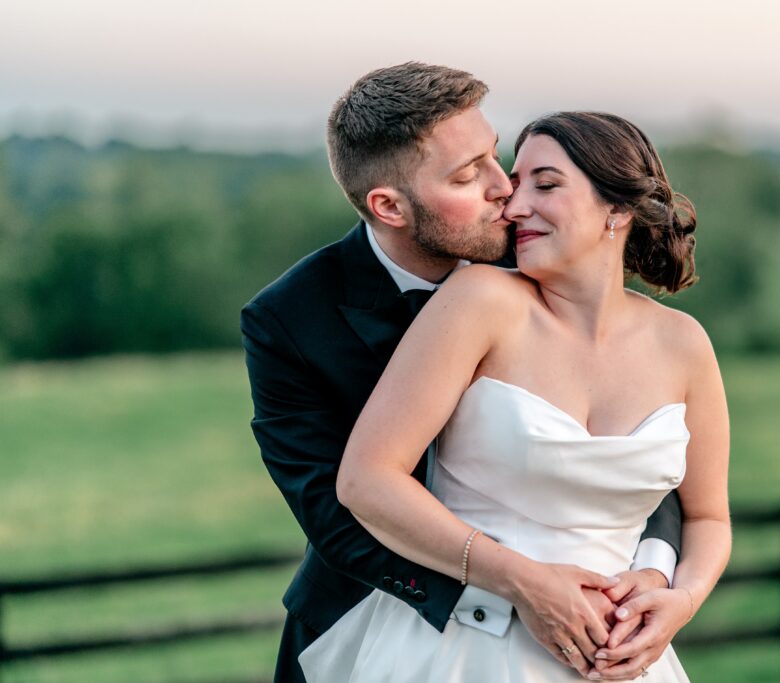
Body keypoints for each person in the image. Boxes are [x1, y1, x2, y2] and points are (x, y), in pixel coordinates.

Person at [242, 63, 686, 683]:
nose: (505, 189)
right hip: (376, 618)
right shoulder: (289, 319)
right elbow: (335, 513)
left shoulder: (538, 248)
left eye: (493, 155)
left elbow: (623, 437)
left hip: (590, 624)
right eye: (466, 174)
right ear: (388, 206)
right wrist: (516, 596)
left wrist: (655, 572)